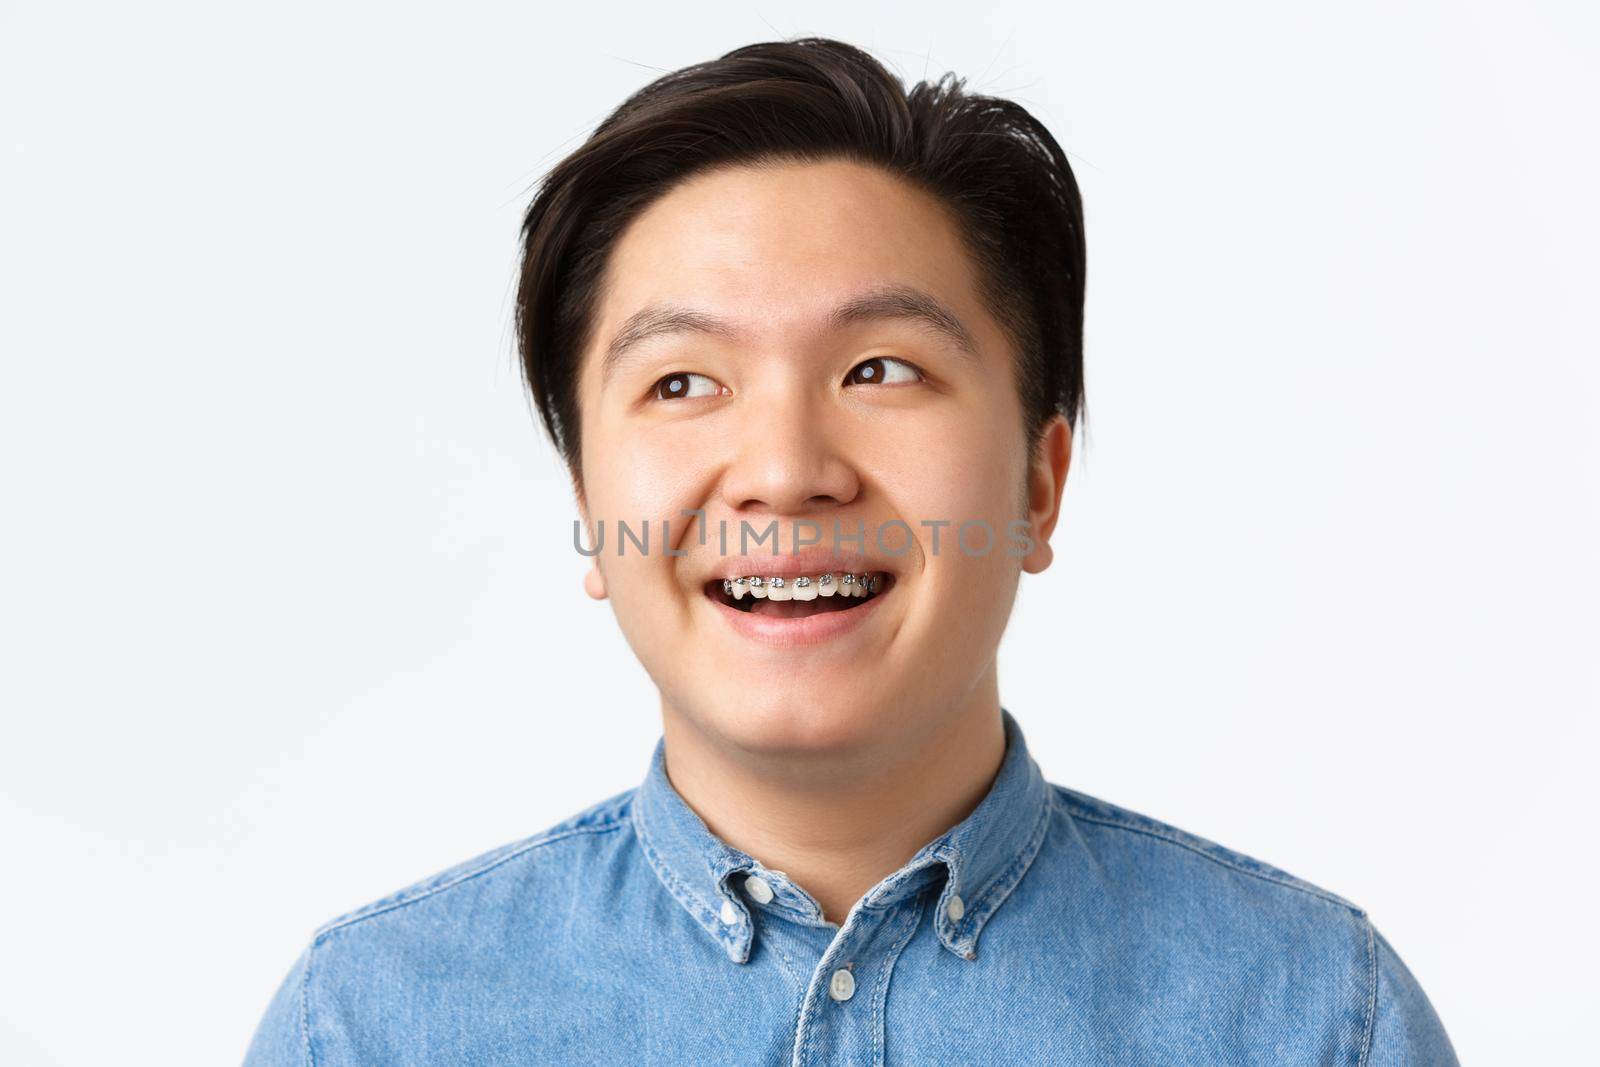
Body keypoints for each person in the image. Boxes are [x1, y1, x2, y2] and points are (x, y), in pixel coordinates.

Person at [243, 36, 1457, 1065]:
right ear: (590, 505)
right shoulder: (370, 1025)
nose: (784, 468)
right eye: (682, 380)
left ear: (1039, 483)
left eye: (881, 368)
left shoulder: (1309, 1018)